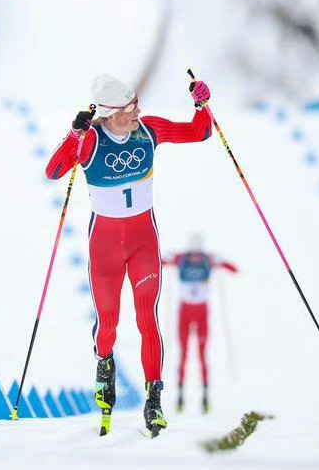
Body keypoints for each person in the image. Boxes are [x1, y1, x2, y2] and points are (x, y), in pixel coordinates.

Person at [44, 74, 213, 437]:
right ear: (109, 113)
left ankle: (154, 400)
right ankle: (104, 366)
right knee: (108, 325)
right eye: (130, 107)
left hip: (143, 243)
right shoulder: (90, 141)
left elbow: (199, 132)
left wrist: (202, 104)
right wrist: (73, 136)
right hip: (104, 247)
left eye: (137, 102)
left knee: (147, 319)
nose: (139, 110)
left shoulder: (148, 130)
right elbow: (54, 171)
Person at [162, 234, 238, 413]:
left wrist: (222, 261)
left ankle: (204, 397)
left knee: (201, 355)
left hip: (199, 313)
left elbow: (233, 269)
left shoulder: (205, 259)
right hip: (187, 313)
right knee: (185, 355)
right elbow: (160, 262)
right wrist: (165, 258)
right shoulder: (187, 258)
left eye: (197, 254)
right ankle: (181, 397)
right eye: (193, 254)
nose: (195, 258)